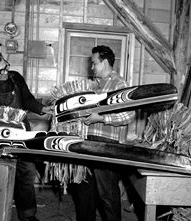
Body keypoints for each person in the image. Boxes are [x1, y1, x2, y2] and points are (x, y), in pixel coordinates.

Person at [0, 52, 53, 221]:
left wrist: (43, 109)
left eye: (6, 66)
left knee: (26, 174)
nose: (6, 72)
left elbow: (27, 100)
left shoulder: (16, 78)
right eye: (1, 71)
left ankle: (27, 215)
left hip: (22, 134)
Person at [70, 45, 136, 221]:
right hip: (91, 142)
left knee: (107, 193)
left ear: (105, 62)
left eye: (94, 64)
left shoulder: (119, 84)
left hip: (108, 145)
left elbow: (129, 114)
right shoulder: (97, 86)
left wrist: (101, 118)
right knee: (85, 189)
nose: (92, 68)